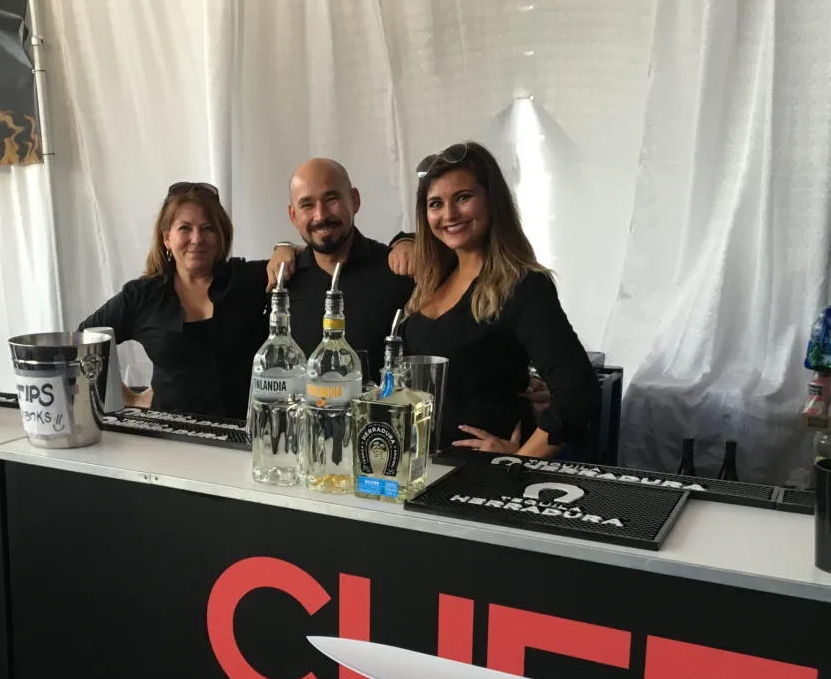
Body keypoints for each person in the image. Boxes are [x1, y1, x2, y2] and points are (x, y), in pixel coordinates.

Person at [398, 142, 599, 457]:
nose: (449, 214)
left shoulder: (523, 285)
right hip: (418, 465)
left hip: (476, 474)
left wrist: (518, 461)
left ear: (492, 200)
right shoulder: (431, 281)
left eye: (463, 197)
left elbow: (578, 393)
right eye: (436, 203)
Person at [78, 182, 268, 417]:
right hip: (169, 434)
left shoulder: (249, 280)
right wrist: (130, 397)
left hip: (244, 432)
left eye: (207, 228)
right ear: (167, 238)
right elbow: (81, 343)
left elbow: (305, 262)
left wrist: (285, 248)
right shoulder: (142, 296)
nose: (197, 239)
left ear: (221, 237)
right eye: (185, 228)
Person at [266, 159, 414, 379]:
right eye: (307, 205)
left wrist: (411, 240)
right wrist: (283, 245)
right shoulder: (281, 280)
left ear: (355, 200)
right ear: (293, 216)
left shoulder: (398, 272)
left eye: (331, 199)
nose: (321, 215)